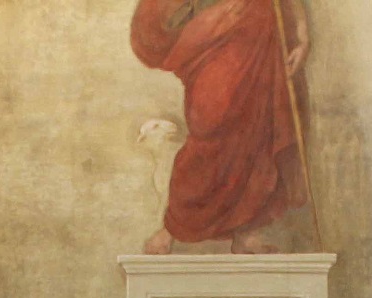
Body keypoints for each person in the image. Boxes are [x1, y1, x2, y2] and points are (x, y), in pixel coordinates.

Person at [132, 0, 309, 254]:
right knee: (210, 122)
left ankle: (247, 229)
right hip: (212, 27)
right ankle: (175, 225)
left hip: (257, 26)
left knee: (257, 126)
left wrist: (302, 35)